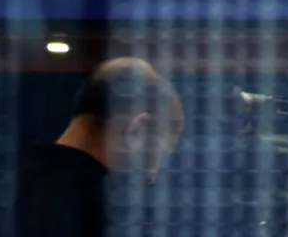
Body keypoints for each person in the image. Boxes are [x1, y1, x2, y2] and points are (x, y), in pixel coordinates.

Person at [15, 57, 185, 237]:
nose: (152, 176)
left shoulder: (7, 180)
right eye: (161, 153)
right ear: (138, 129)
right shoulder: (110, 215)